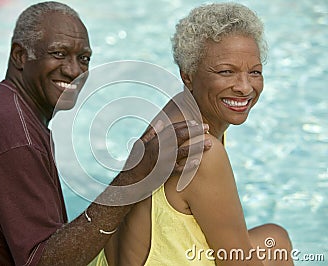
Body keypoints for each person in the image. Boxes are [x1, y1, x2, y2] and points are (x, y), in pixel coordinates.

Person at [0, 2, 210, 265]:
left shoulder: (0, 109)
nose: (74, 70)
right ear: (20, 56)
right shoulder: (14, 136)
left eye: (84, 58)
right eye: (58, 54)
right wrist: (132, 177)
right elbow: (43, 261)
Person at [99, 3, 294, 265]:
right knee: (277, 246)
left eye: (255, 72)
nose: (245, 87)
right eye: (226, 72)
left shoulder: (176, 110)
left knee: (274, 239)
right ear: (188, 76)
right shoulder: (202, 151)